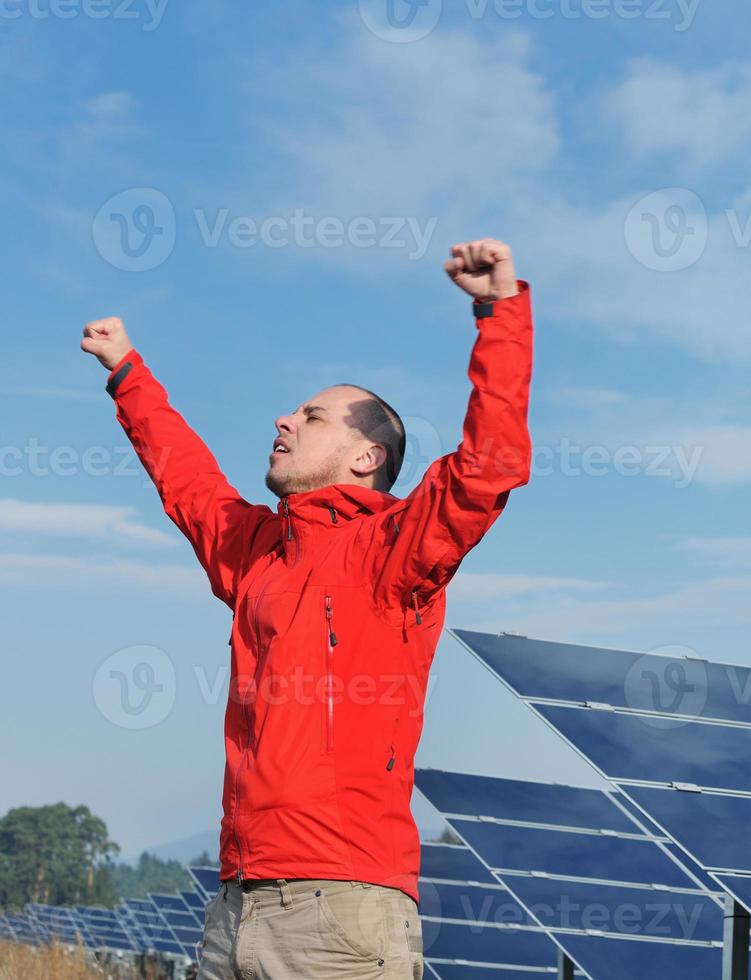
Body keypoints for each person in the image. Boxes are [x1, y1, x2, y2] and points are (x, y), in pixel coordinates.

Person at [80, 238, 533, 979]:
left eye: (313, 417)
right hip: (236, 905)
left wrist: (501, 312)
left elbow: (489, 467)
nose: (284, 421)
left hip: (341, 908)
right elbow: (188, 481)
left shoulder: (395, 550)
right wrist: (128, 372)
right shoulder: (258, 550)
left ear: (367, 458)